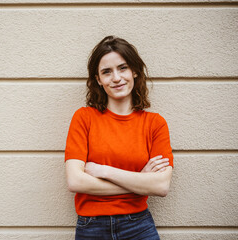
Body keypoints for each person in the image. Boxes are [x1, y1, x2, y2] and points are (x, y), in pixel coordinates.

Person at [64, 36, 173, 240]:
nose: (116, 78)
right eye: (107, 72)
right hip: (91, 227)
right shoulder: (84, 118)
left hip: (139, 226)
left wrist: (104, 171)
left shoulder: (155, 124)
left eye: (122, 68)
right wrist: (140, 182)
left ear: (134, 71)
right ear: (98, 79)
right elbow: (75, 181)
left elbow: (161, 186)